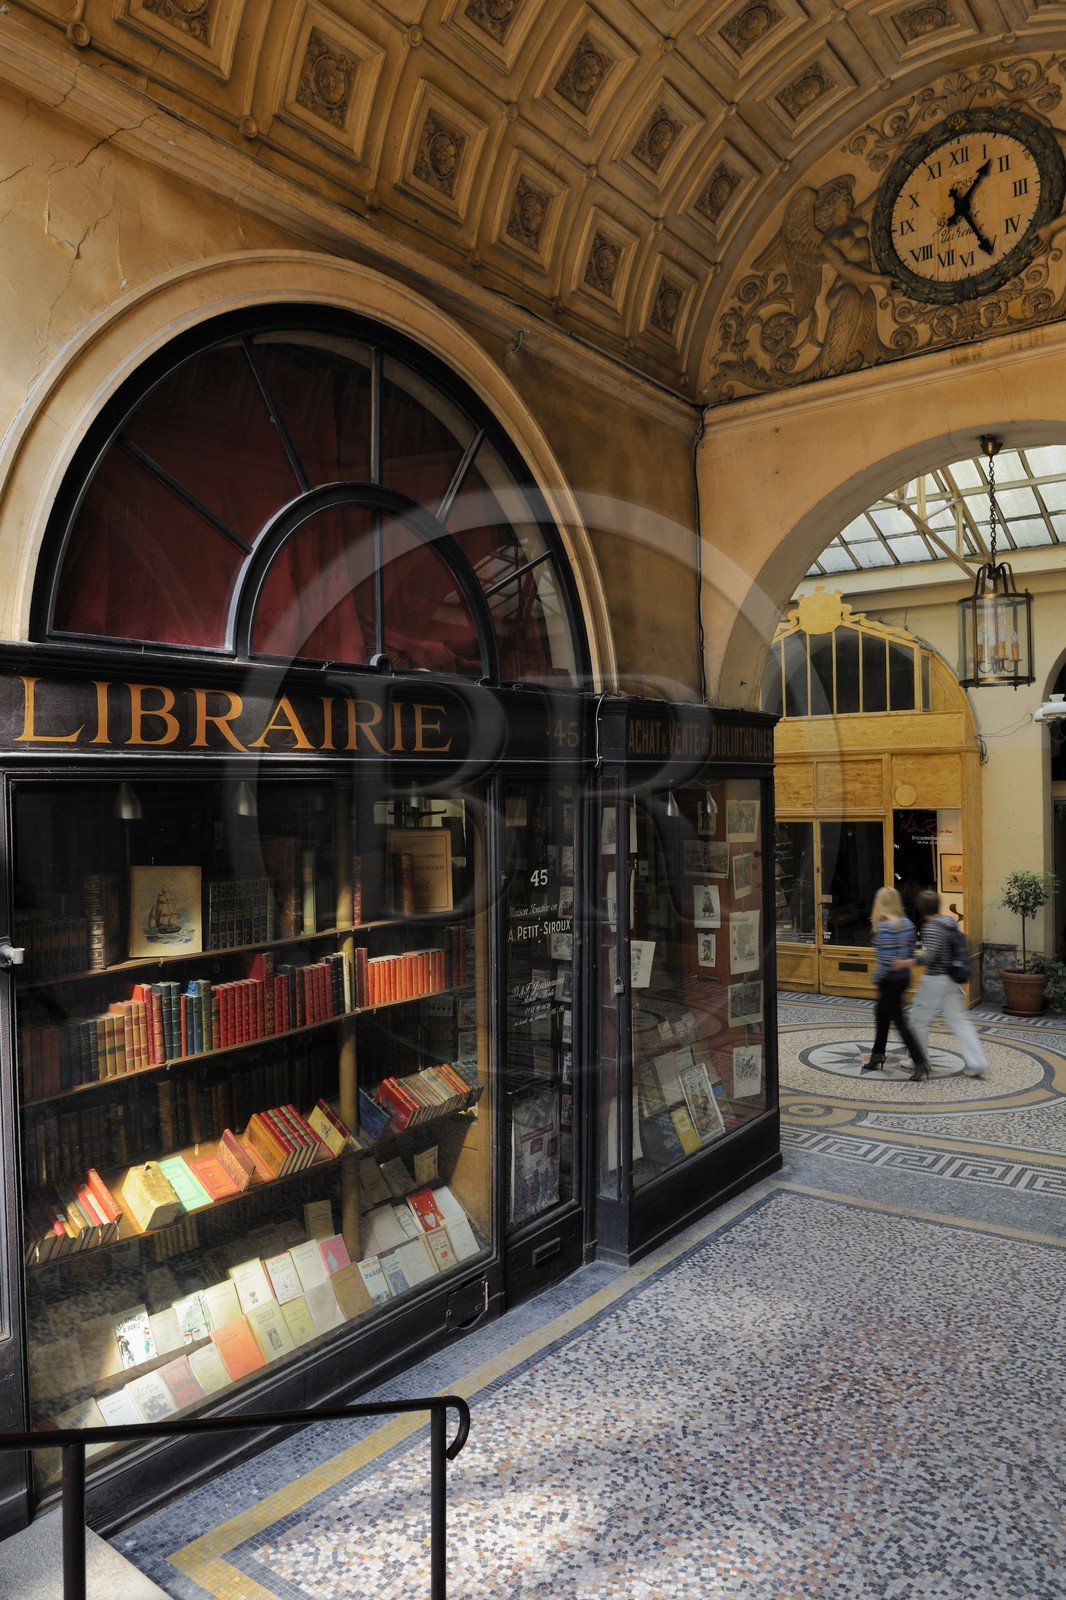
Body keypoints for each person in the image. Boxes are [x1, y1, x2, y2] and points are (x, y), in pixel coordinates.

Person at [909, 889, 990, 1080]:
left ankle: (920, 1060)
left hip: (934, 980)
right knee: (960, 1021)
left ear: (921, 908)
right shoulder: (949, 922)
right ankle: (977, 1063)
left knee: (918, 1020)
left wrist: (909, 961)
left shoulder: (931, 927)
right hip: (951, 979)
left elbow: (931, 956)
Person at [863, 886, 929, 1081]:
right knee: (881, 1014)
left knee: (899, 1022)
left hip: (889, 979)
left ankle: (920, 1061)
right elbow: (909, 953)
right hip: (903, 977)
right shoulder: (907, 924)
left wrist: (876, 977)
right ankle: (877, 1055)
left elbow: (886, 960)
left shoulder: (883, 927)